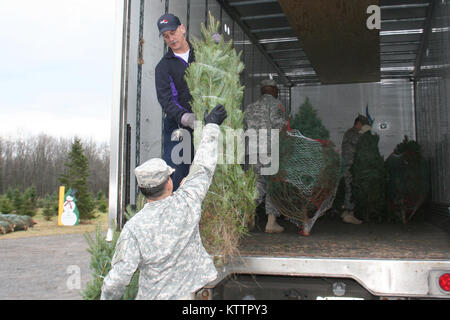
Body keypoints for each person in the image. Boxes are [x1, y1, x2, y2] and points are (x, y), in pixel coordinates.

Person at [100, 104, 227, 300]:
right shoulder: (187, 201)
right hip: (195, 295)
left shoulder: (134, 228)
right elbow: (203, 166)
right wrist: (211, 126)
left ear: (142, 191)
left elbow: (117, 280)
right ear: (169, 183)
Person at [155, 13, 196, 191]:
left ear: (182, 29)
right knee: (177, 174)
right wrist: (185, 117)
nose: (171, 38)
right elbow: (166, 100)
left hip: (208, 123)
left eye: (173, 32)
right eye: (166, 36)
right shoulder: (163, 67)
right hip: (179, 129)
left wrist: (216, 48)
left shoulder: (202, 54)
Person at [244, 79, 288, 233]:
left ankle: (248, 215)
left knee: (257, 184)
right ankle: (271, 222)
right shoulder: (277, 104)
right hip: (270, 150)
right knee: (273, 184)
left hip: (253, 150)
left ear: (262, 91)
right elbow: (281, 127)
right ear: (274, 90)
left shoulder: (250, 107)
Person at [340, 114, 370, 224]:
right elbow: (359, 141)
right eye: (363, 125)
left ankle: (347, 213)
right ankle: (348, 213)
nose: (364, 128)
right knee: (350, 188)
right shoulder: (351, 133)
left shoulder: (354, 133)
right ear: (358, 124)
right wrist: (364, 133)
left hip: (352, 166)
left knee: (351, 188)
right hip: (349, 166)